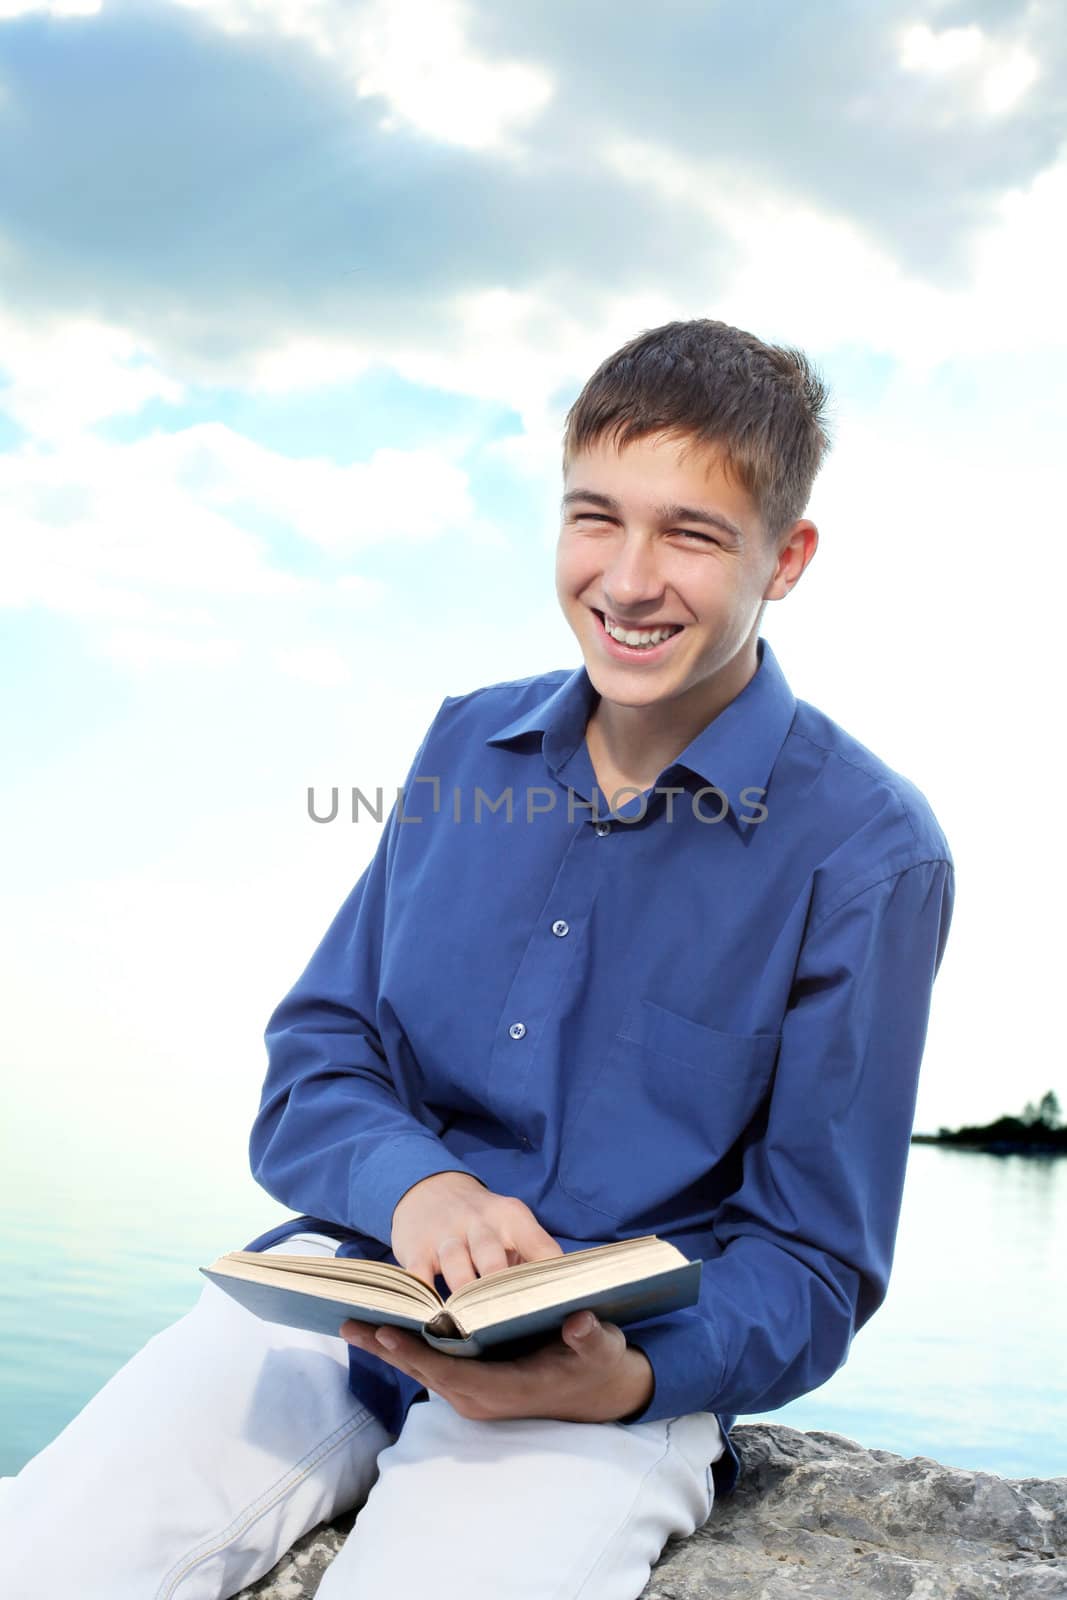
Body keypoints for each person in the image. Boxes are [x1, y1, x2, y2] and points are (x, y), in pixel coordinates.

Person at [1, 317, 955, 1600]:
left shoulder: (868, 853)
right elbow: (317, 1060)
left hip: (602, 1377)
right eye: (593, 518)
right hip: (343, 1300)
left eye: (690, 533)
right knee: (44, 1562)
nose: (625, 580)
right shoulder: (466, 745)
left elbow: (814, 1257)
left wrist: (627, 1377)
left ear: (785, 558)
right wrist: (418, 1190)